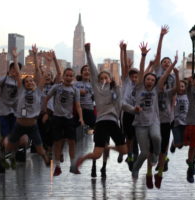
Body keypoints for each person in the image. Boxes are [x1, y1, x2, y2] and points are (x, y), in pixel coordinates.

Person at [71, 43, 128, 174]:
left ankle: (108, 148)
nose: (103, 79)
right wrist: (87, 51)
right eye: (101, 78)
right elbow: (92, 68)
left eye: (105, 77)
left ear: (110, 78)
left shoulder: (116, 89)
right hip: (102, 122)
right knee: (97, 154)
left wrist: (133, 110)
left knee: (124, 150)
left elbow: (121, 103)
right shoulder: (97, 89)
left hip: (113, 122)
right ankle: (80, 160)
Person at [5, 47, 50, 167]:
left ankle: (46, 158)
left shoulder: (38, 91)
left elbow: (42, 75)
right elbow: (19, 75)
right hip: (19, 124)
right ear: (24, 85)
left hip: (32, 126)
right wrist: (15, 59)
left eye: (32, 81)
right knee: (8, 147)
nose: (30, 82)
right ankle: (9, 149)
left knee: (40, 149)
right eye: (28, 82)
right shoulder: (21, 91)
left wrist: (46, 61)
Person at [129, 42, 162, 190]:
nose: (149, 81)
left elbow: (163, 73)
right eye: (148, 79)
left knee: (157, 137)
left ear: (155, 82)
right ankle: (136, 168)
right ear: (144, 81)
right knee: (143, 152)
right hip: (140, 123)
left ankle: (155, 155)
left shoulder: (156, 90)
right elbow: (142, 71)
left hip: (153, 121)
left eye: (152, 80)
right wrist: (143, 56)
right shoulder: (140, 86)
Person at [45, 67, 84, 176]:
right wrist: (46, 113)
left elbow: (78, 105)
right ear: (63, 76)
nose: (68, 77)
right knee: (57, 143)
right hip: (57, 117)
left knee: (72, 142)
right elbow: (46, 98)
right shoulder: (56, 88)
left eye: (71, 76)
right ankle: (57, 166)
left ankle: (73, 165)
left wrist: (81, 118)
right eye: (66, 75)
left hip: (69, 118)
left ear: (73, 78)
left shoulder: (75, 90)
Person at [151, 53, 178, 189]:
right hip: (155, 119)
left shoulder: (172, 79)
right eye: (164, 61)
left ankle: (160, 173)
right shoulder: (157, 76)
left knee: (164, 146)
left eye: (169, 62)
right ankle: (155, 164)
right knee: (155, 143)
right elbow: (161, 81)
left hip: (167, 117)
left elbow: (175, 92)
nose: (167, 63)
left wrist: (173, 109)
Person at [119, 40, 139, 171]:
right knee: (128, 136)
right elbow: (124, 66)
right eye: (132, 76)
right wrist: (123, 51)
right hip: (127, 113)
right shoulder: (126, 82)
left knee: (136, 136)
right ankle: (128, 153)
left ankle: (131, 154)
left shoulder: (141, 85)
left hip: (137, 113)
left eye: (136, 76)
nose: (134, 78)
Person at [170, 80, 189, 153]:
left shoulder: (188, 96)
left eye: (182, 86)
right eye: (179, 86)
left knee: (184, 144)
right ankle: (174, 144)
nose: (180, 88)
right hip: (176, 122)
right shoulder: (173, 96)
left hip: (186, 122)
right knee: (178, 144)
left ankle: (175, 143)